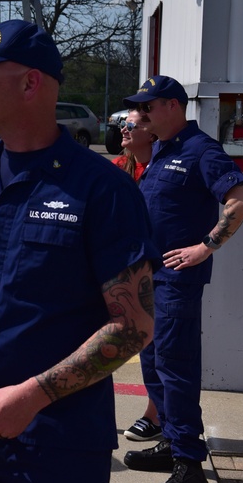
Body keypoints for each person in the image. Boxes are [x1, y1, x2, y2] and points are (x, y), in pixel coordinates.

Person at [0, 20, 158, 483]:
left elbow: (134, 326)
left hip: (55, 444)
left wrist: (34, 396)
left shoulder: (102, 190)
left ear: (30, 82)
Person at [122, 75, 243, 483]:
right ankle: (172, 442)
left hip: (176, 282)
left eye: (149, 106)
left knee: (175, 368)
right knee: (153, 366)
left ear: (174, 107)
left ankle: (189, 467)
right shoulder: (162, 149)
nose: (142, 113)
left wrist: (205, 247)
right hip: (148, 279)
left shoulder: (202, 151)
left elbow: (242, 200)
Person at [112, 109, 164, 442]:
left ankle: (155, 415)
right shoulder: (118, 167)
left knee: (158, 346)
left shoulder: (164, 168)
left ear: (154, 132)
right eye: (124, 122)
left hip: (160, 270)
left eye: (135, 123)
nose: (126, 128)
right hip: (122, 269)